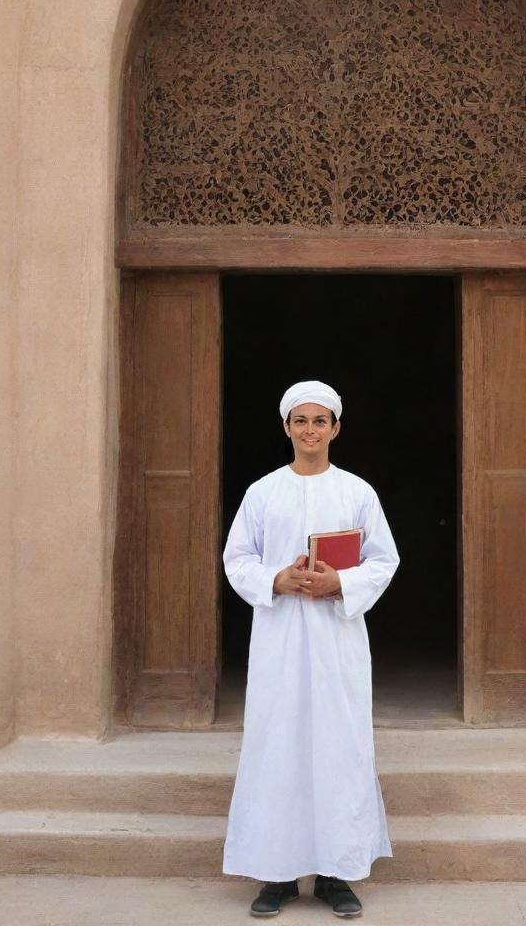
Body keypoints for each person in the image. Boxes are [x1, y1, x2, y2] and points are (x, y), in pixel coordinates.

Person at [222, 380, 401, 918]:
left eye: (320, 421)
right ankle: (274, 875)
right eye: (300, 420)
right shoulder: (262, 493)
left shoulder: (357, 492)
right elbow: (237, 559)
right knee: (277, 747)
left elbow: (383, 560)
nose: (310, 430)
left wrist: (339, 585)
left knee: (336, 746)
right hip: (279, 641)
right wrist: (275, 580)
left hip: (336, 642)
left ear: (336, 429)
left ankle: (335, 873)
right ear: (286, 428)